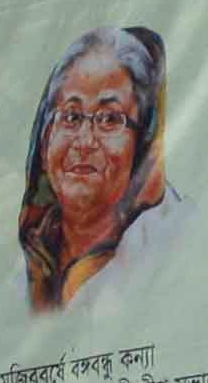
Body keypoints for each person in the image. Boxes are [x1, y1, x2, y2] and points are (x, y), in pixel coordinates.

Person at [18, 25, 184, 312]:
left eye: (109, 119)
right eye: (70, 116)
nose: (84, 142)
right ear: (45, 136)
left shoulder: (178, 242)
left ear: (142, 143)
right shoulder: (25, 262)